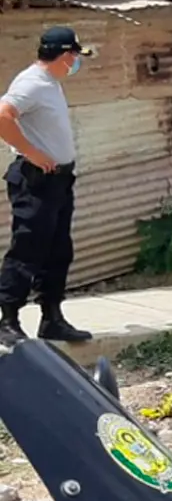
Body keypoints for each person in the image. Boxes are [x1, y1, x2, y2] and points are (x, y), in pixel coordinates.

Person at [0, 26, 95, 346]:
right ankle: (8, 320)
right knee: (27, 250)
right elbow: (2, 116)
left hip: (58, 181)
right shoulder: (31, 83)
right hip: (35, 181)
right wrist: (34, 153)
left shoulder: (51, 83)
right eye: (74, 57)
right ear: (65, 55)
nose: (75, 64)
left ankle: (51, 319)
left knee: (58, 252)